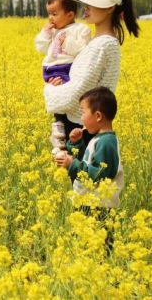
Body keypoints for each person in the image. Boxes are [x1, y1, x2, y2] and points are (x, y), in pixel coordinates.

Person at [44, 0, 139, 152]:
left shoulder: (103, 45)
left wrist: (49, 90)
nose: (85, 7)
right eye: (85, 2)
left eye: (92, 2)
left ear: (110, 7)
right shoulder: (96, 42)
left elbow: (77, 93)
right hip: (80, 128)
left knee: (85, 179)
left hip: (85, 132)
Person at [55, 86, 123, 252]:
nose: (81, 118)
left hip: (99, 208)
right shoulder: (100, 139)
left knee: (98, 251)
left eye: (83, 113)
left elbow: (99, 174)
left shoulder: (107, 142)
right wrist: (76, 145)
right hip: (89, 204)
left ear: (98, 116)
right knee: (85, 249)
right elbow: (90, 162)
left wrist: (72, 165)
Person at [34, 0, 91, 157]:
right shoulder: (53, 31)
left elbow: (82, 50)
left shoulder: (80, 29)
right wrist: (45, 34)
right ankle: (58, 123)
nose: (50, 18)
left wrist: (66, 40)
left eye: (54, 14)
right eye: (49, 14)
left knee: (69, 97)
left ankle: (66, 130)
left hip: (68, 67)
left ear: (70, 14)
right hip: (50, 69)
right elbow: (41, 48)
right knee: (56, 94)